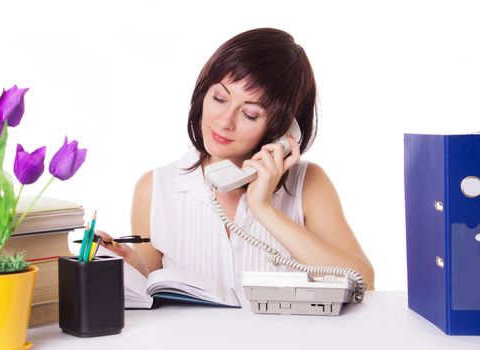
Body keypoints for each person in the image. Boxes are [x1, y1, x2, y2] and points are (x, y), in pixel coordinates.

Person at [98, 28, 375, 290]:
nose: (224, 121)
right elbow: (155, 287)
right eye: (219, 98)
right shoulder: (155, 188)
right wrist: (132, 266)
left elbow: (363, 283)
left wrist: (263, 208)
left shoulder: (309, 184)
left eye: (250, 114)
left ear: (281, 128)